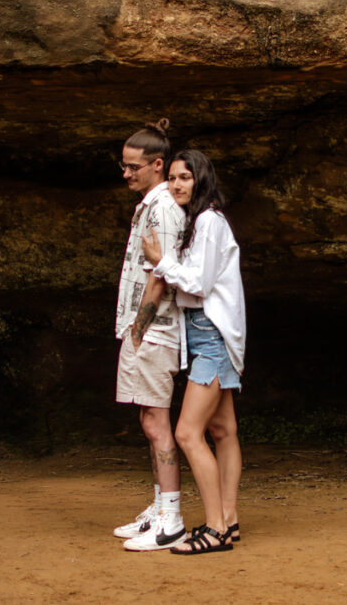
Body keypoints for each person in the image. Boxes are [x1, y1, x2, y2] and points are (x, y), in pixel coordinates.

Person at [141, 149, 245, 555]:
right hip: (209, 334)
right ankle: (229, 520)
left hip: (212, 336)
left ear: (201, 181)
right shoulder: (200, 221)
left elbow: (198, 284)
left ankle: (216, 529)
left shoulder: (207, 221)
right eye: (172, 177)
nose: (177, 184)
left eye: (186, 177)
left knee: (187, 432)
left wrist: (161, 262)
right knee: (222, 431)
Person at [111, 119, 188, 551]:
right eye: (123, 165)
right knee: (148, 420)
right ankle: (159, 507)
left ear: (157, 165)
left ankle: (171, 518)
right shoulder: (150, 204)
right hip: (144, 330)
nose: (126, 173)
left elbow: (160, 275)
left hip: (154, 332)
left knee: (158, 423)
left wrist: (138, 332)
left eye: (133, 166)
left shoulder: (161, 208)